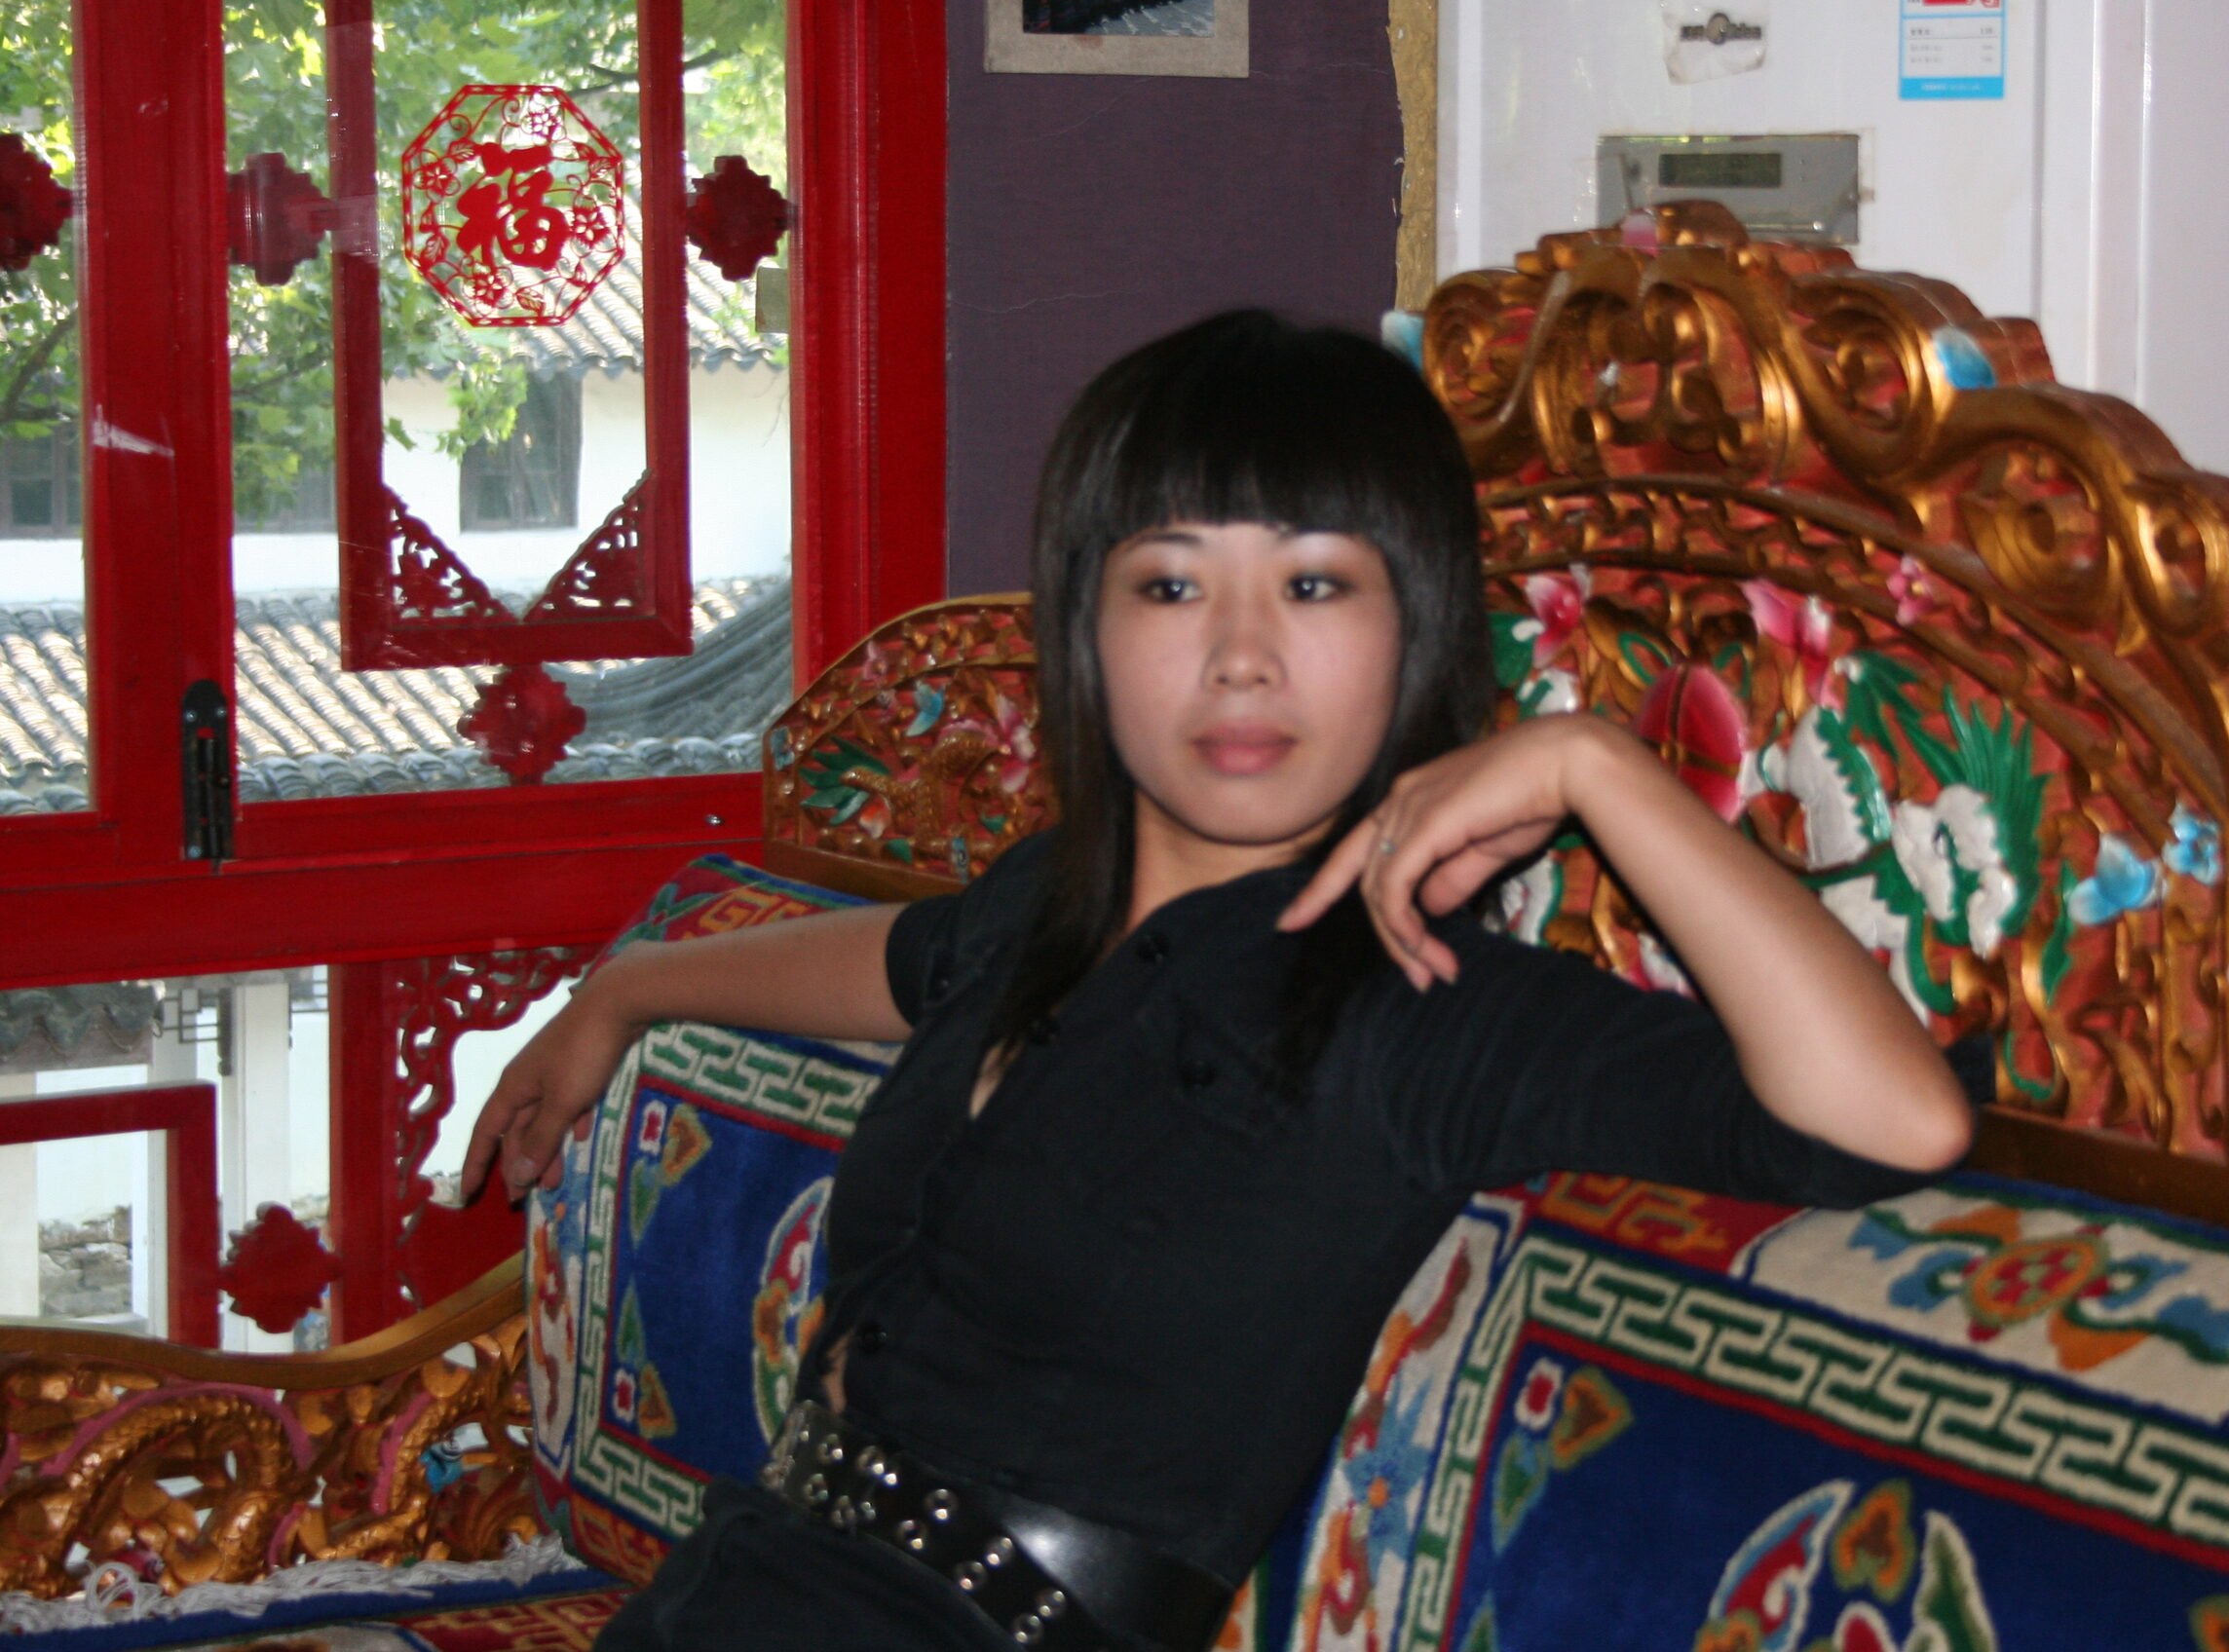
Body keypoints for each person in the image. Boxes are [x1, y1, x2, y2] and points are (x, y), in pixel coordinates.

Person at [462, 311, 1982, 1652]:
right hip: (732, 1590)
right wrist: (632, 989)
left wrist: (1597, 768)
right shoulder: (1039, 913)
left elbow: (1892, 1118)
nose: (1242, 657)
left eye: (1315, 586)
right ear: (1089, 627)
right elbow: (890, 964)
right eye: (1173, 586)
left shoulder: (1416, 1009)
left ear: (1414, 630)